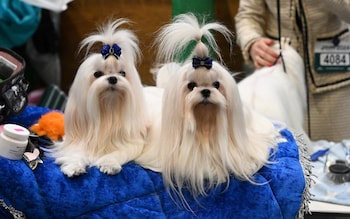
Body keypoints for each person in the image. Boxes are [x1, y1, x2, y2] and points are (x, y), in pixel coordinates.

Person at [235, 0, 350, 142]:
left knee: (340, 155)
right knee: (288, 153)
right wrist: (252, 42)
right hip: (279, 80)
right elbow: (247, 15)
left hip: (335, 81)